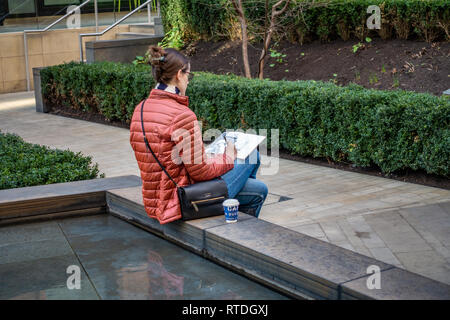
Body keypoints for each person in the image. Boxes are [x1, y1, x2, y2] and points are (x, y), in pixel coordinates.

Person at [129, 46, 268, 224]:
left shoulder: (140, 110)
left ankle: (229, 213)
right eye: (189, 75)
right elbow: (201, 172)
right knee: (252, 155)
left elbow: (168, 159)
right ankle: (228, 219)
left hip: (156, 200)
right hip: (183, 200)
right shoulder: (181, 114)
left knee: (258, 190)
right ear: (179, 74)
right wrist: (228, 156)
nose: (188, 81)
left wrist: (205, 155)